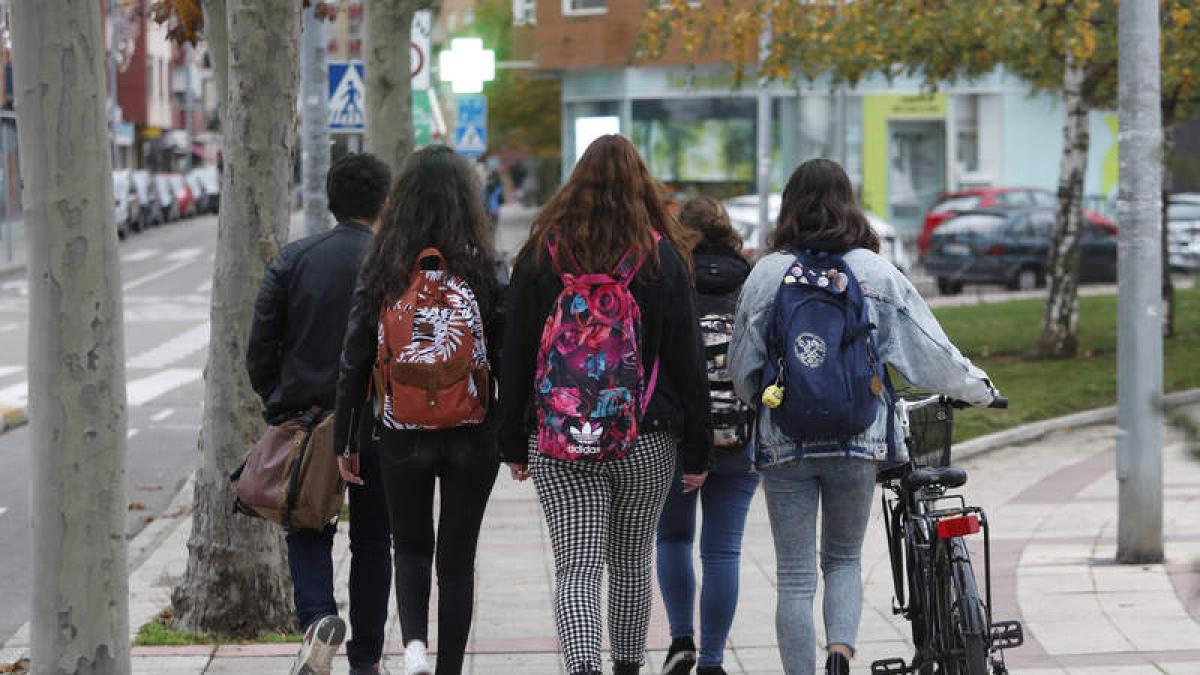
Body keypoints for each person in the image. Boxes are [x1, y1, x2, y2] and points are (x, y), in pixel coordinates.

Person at [728, 158, 999, 675]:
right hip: (858, 439)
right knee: (844, 560)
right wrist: (979, 389)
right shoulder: (875, 272)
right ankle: (840, 654)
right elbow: (929, 352)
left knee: (795, 575)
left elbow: (743, 370)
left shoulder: (765, 275)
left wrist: (766, 399)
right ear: (848, 202)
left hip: (784, 442)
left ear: (789, 207)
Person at [498, 134, 712, 675]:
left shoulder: (543, 252)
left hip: (559, 439)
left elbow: (516, 352)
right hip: (646, 436)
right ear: (642, 186)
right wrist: (697, 451)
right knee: (631, 566)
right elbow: (688, 360)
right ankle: (626, 669)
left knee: (576, 568)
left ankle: (584, 669)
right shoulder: (661, 254)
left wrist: (511, 443)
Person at [333, 145, 504, 675]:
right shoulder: (483, 266)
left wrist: (346, 438)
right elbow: (507, 354)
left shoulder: (383, 263)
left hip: (401, 430)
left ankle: (413, 648)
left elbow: (355, 357)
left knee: (407, 545)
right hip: (473, 430)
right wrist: (511, 431)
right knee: (457, 559)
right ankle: (449, 667)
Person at [246, 153, 394, 675]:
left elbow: (259, 348)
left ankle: (317, 621)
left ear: (331, 202)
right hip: (380, 421)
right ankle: (367, 661)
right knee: (375, 540)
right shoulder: (394, 261)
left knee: (306, 523)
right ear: (385, 201)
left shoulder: (294, 259)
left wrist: (279, 399)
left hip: (310, 420)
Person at [655, 196, 759, 675]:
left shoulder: (668, 277)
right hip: (740, 434)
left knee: (673, 539)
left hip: (677, 436)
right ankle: (714, 659)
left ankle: (681, 641)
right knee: (723, 550)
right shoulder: (752, 282)